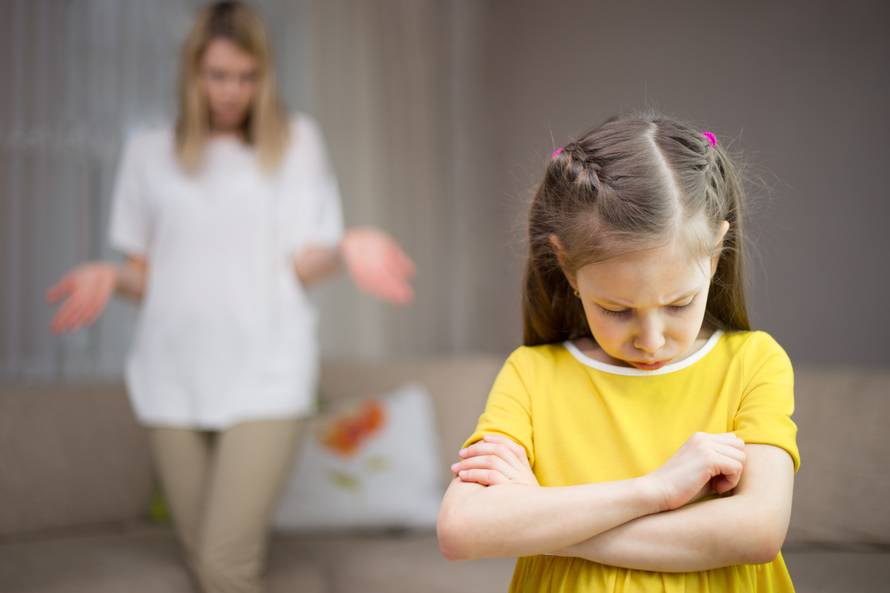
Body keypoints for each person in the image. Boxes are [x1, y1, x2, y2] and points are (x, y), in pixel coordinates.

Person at [46, 2, 414, 593]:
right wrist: (111, 277)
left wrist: (346, 244)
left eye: (246, 77)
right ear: (193, 73)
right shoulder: (148, 153)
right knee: (205, 563)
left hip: (267, 373)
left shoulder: (296, 142)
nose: (231, 91)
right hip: (172, 378)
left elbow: (303, 261)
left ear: (263, 77)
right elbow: (149, 275)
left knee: (225, 566)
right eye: (218, 76)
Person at [437, 112, 799, 592]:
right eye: (617, 309)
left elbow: (757, 532)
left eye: (678, 304)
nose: (650, 339)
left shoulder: (755, 362)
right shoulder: (532, 374)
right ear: (567, 267)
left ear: (714, 255)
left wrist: (545, 516)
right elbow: (462, 530)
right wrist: (655, 491)